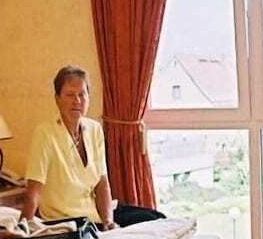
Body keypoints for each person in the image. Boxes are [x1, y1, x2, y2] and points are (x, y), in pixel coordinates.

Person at [21, 65, 164, 230]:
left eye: (82, 94)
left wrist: (108, 222)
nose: (77, 101)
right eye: (70, 95)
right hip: (68, 222)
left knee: (156, 219)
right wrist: (22, 228)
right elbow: (33, 191)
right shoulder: (45, 133)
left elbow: (102, 184)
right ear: (57, 99)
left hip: (96, 214)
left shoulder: (94, 129)